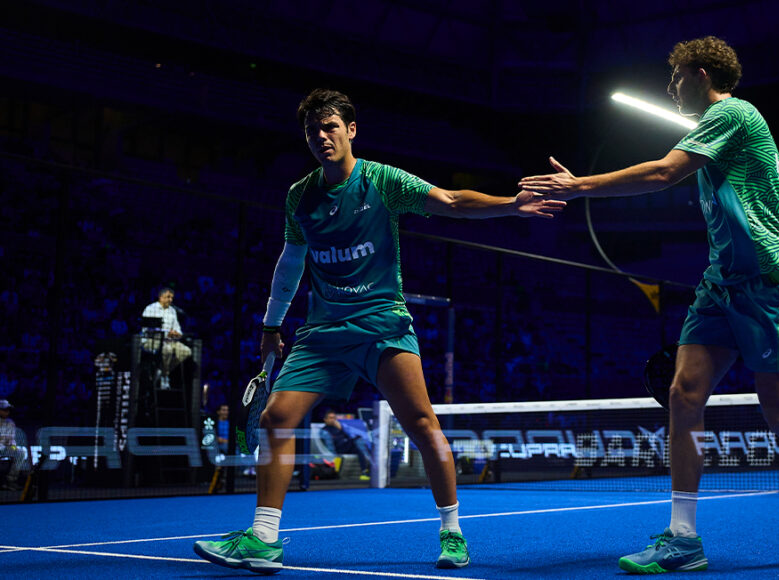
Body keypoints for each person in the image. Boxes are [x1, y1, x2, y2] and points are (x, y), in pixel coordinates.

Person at [520, 36, 779, 572]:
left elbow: (662, 173)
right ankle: (684, 538)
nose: (672, 88)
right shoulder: (709, 129)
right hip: (721, 282)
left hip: (771, 279)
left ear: (699, 74)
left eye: (676, 78)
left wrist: (579, 186)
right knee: (683, 393)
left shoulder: (733, 113)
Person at [193, 88, 565, 574]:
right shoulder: (300, 196)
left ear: (351, 130)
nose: (322, 136)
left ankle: (452, 532)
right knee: (276, 417)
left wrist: (511, 206)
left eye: (330, 127)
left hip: (381, 324)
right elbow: (291, 262)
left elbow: (451, 200)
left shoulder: (383, 181)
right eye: (312, 130)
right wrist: (271, 325)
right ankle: (263, 539)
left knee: (422, 424)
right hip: (323, 331)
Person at [142, 287, 192, 389]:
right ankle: (165, 377)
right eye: (168, 297)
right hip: (153, 340)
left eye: (172, 298)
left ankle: (162, 371)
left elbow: (177, 329)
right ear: (161, 297)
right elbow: (146, 329)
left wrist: (177, 333)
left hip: (169, 340)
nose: (171, 300)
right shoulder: (150, 308)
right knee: (167, 350)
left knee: (186, 351)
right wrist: (165, 333)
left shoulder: (172, 311)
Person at [318, 409, 373, 478]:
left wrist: (341, 428)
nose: (333, 420)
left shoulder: (338, 427)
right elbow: (330, 447)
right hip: (339, 449)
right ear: (325, 419)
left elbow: (350, 435)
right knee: (358, 443)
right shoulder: (325, 431)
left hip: (347, 446)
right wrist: (333, 459)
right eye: (330, 418)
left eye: (334, 418)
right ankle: (369, 464)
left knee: (358, 442)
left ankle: (365, 470)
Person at [0, 399, 25, 492]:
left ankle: (11, 481)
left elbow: (11, 440)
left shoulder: (10, 423)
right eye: (4, 410)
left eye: (8, 410)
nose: (7, 412)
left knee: (21, 453)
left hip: (5, 448)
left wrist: (13, 447)